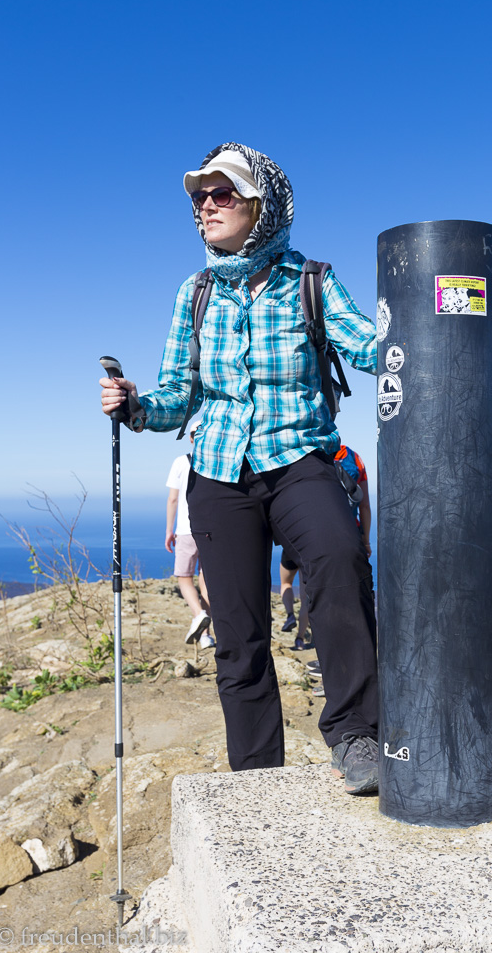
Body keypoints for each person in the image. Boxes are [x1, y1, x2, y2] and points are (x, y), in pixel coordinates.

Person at [99, 143, 378, 794]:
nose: (205, 205)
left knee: (338, 560)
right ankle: (255, 773)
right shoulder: (194, 294)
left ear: (263, 204)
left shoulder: (311, 279)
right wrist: (136, 405)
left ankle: (356, 733)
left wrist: (430, 331)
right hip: (218, 474)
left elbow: (366, 345)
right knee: (238, 629)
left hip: (299, 460)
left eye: (221, 192)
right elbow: (178, 395)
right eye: (199, 195)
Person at [281, 442, 372, 652]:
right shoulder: (355, 458)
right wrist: (366, 541)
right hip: (348, 534)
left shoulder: (308, 451)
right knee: (341, 594)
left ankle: (295, 628)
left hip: (304, 534)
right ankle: (342, 645)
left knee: (293, 586)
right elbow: (364, 505)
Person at [165, 422, 215, 650]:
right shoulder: (216, 462)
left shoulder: (181, 461)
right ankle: (205, 636)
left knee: (184, 578)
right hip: (211, 530)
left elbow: (173, 499)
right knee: (207, 583)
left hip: (186, 529)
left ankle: (197, 615)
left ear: (191, 438)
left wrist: (169, 530)